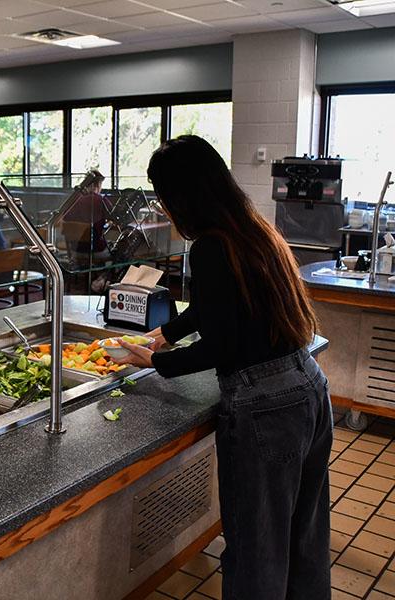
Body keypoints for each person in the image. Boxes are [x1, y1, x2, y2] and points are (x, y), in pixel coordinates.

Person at [112, 135, 331, 600]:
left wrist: (157, 361)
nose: (164, 210)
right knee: (303, 538)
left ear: (182, 196)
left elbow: (222, 343)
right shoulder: (251, 230)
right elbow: (224, 306)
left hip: (266, 409)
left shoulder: (210, 247)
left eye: (164, 197)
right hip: (307, 387)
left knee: (256, 551)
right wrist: (165, 334)